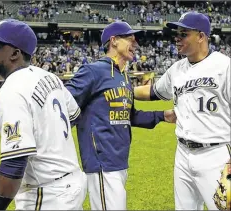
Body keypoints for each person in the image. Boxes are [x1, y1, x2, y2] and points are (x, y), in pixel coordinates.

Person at [65, 21, 176, 210]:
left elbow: (130, 116)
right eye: (130, 39)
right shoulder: (92, 71)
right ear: (114, 41)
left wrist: (162, 115)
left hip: (120, 160)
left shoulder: (123, 76)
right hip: (101, 162)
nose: (135, 45)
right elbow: (62, 105)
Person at [0, 19, 87, 210]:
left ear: (15, 54)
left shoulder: (13, 89)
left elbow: (14, 164)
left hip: (47, 193)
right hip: (72, 182)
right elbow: (74, 116)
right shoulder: (49, 76)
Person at [134, 12, 231, 210]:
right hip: (183, 154)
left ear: (201, 36)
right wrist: (121, 89)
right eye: (176, 33)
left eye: (184, 33)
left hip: (217, 154)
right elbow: (153, 92)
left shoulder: (224, 66)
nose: (177, 38)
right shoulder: (177, 69)